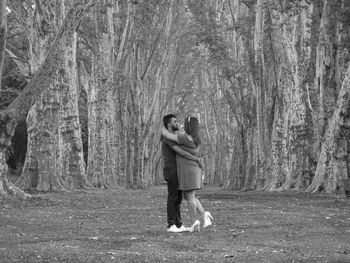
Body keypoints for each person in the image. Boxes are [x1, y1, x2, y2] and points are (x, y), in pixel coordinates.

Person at [162, 116, 213, 232]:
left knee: (187, 196)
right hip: (186, 169)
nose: (179, 124)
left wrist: (160, 127)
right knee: (185, 196)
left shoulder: (182, 137)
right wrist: (197, 158)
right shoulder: (196, 139)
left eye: (181, 123)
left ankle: (192, 221)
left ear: (188, 126)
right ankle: (203, 215)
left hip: (186, 169)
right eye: (175, 121)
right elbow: (192, 151)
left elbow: (168, 137)